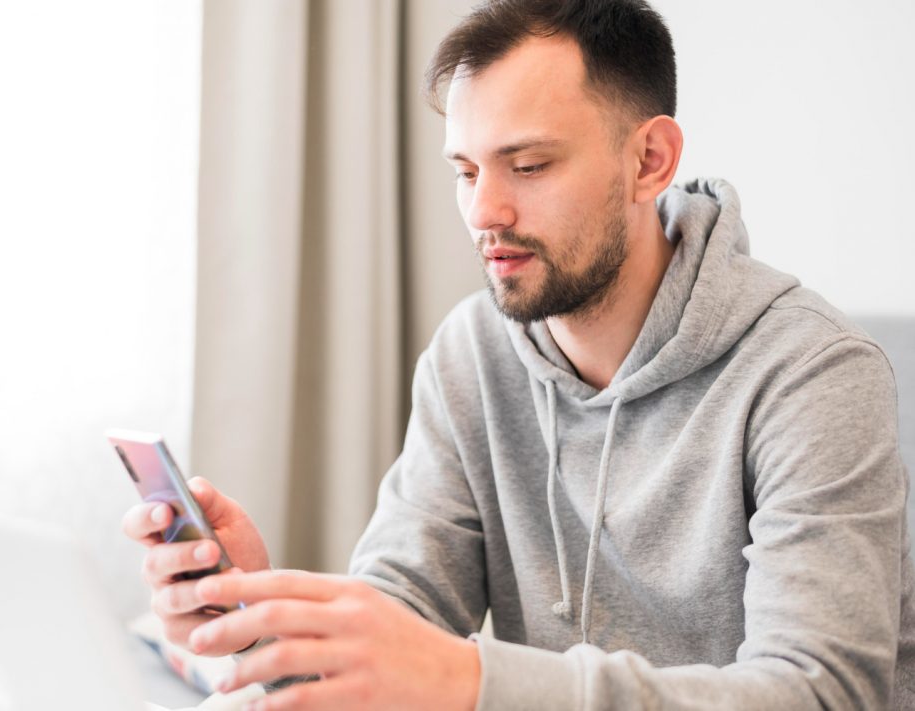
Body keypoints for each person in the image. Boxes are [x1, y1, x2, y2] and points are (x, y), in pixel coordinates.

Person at [123, 1, 915, 708]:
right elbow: (399, 625)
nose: (483, 211)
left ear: (650, 161)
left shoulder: (810, 370)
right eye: (466, 171)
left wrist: (474, 681)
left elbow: (821, 692)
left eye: (528, 166)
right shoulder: (471, 354)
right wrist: (264, 621)